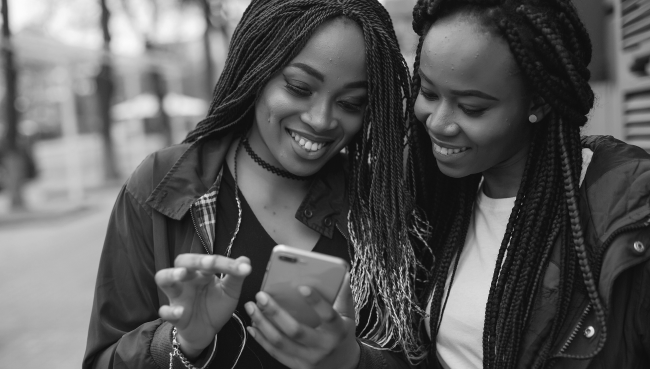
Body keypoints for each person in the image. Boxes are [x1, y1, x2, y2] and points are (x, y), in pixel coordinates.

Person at [83, 0, 430, 368]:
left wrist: (353, 361)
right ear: (257, 69)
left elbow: (420, 356)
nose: (321, 119)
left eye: (351, 103)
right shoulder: (161, 183)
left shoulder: (382, 205)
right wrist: (177, 342)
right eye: (299, 87)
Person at [408, 0, 650, 368]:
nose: (439, 123)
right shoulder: (438, 197)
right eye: (428, 93)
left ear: (538, 101)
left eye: (472, 108)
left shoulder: (628, 216)